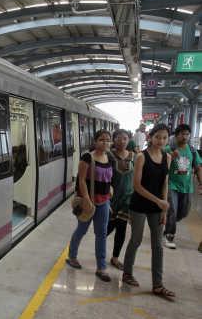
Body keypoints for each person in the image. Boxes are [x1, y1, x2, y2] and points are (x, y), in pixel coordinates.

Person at [122, 124, 175, 300]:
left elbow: (165, 183)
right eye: (158, 137)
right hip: (139, 205)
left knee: (158, 246)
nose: (161, 141)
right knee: (136, 240)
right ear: (150, 137)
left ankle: (157, 285)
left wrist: (164, 207)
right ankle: (127, 273)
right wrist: (158, 201)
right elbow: (137, 186)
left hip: (157, 207)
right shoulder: (140, 157)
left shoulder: (167, 157)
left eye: (165, 138)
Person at [66, 130, 113, 282]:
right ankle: (72, 256)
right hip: (89, 202)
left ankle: (101, 267)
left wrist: (109, 194)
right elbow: (81, 180)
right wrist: (86, 198)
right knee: (82, 230)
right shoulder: (87, 157)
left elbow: (108, 179)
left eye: (107, 140)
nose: (105, 143)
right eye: (101, 140)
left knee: (102, 234)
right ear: (95, 141)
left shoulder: (109, 157)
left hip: (104, 202)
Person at [163, 124, 202, 249]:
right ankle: (169, 235)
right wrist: (170, 158)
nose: (185, 137)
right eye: (182, 134)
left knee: (184, 212)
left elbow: (198, 167)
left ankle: (170, 222)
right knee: (173, 210)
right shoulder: (169, 149)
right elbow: (160, 166)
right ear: (177, 135)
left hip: (187, 186)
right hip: (171, 185)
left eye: (187, 134)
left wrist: (201, 182)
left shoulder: (192, 150)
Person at [106, 129, 134, 270]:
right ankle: (100, 253)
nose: (122, 141)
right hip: (111, 199)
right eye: (118, 138)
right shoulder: (108, 155)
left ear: (128, 140)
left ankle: (115, 258)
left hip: (127, 200)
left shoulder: (134, 156)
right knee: (106, 228)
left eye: (125, 138)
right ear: (114, 139)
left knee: (121, 229)